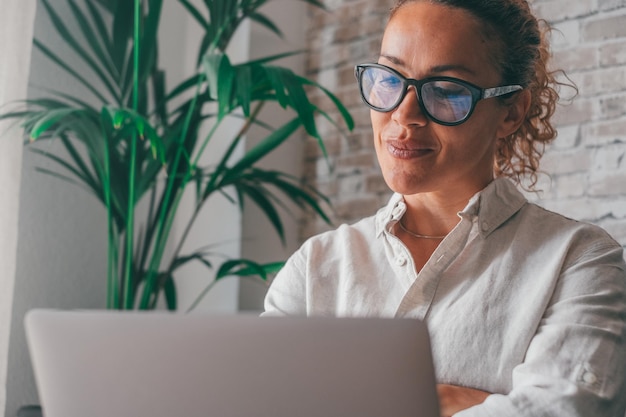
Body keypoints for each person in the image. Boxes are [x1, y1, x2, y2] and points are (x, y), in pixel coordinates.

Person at [262, 0, 626, 416]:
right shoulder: (317, 265)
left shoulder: (578, 260)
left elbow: (562, 410)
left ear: (511, 112)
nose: (404, 113)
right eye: (389, 78)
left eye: (447, 91)